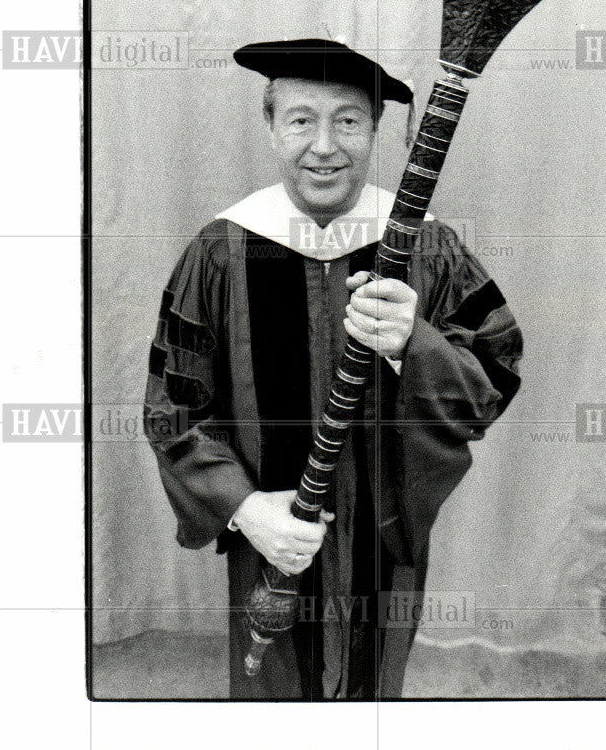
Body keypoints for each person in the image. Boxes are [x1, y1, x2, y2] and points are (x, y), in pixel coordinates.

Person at [143, 38, 523, 700]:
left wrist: (415, 343)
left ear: (374, 130)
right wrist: (244, 508)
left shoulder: (424, 247)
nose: (324, 145)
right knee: (273, 702)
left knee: (373, 697)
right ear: (270, 127)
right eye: (300, 120)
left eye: (347, 120)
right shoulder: (221, 251)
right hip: (273, 541)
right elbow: (173, 408)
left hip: (381, 541)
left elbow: (492, 373)